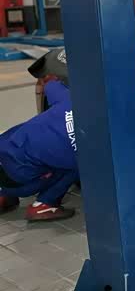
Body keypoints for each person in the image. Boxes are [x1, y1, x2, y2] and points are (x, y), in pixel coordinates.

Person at [0, 50, 77, 221]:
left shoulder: (68, 99)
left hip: (4, 154)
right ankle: (44, 204)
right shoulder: (79, 153)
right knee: (76, 168)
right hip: (20, 181)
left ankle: (3, 194)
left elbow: (50, 83)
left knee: (30, 129)